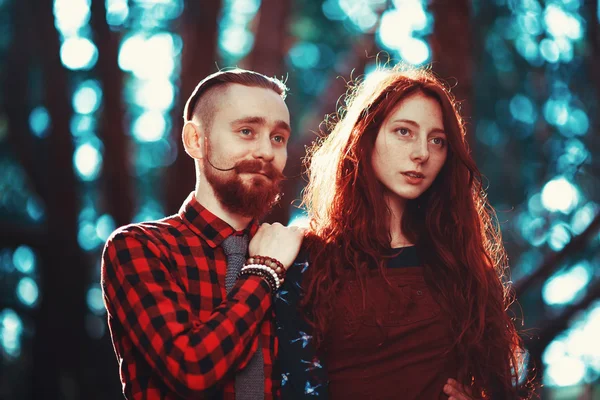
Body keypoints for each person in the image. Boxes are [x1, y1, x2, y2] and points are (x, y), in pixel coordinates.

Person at [275, 66, 528, 399]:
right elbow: (290, 382)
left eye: (437, 140)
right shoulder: (309, 255)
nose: (422, 153)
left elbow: (499, 380)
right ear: (364, 136)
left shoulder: (458, 261)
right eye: (404, 132)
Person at [101, 68, 306, 399]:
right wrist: (264, 271)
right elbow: (192, 371)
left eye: (278, 138)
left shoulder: (299, 255)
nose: (267, 152)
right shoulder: (139, 247)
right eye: (246, 131)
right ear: (195, 140)